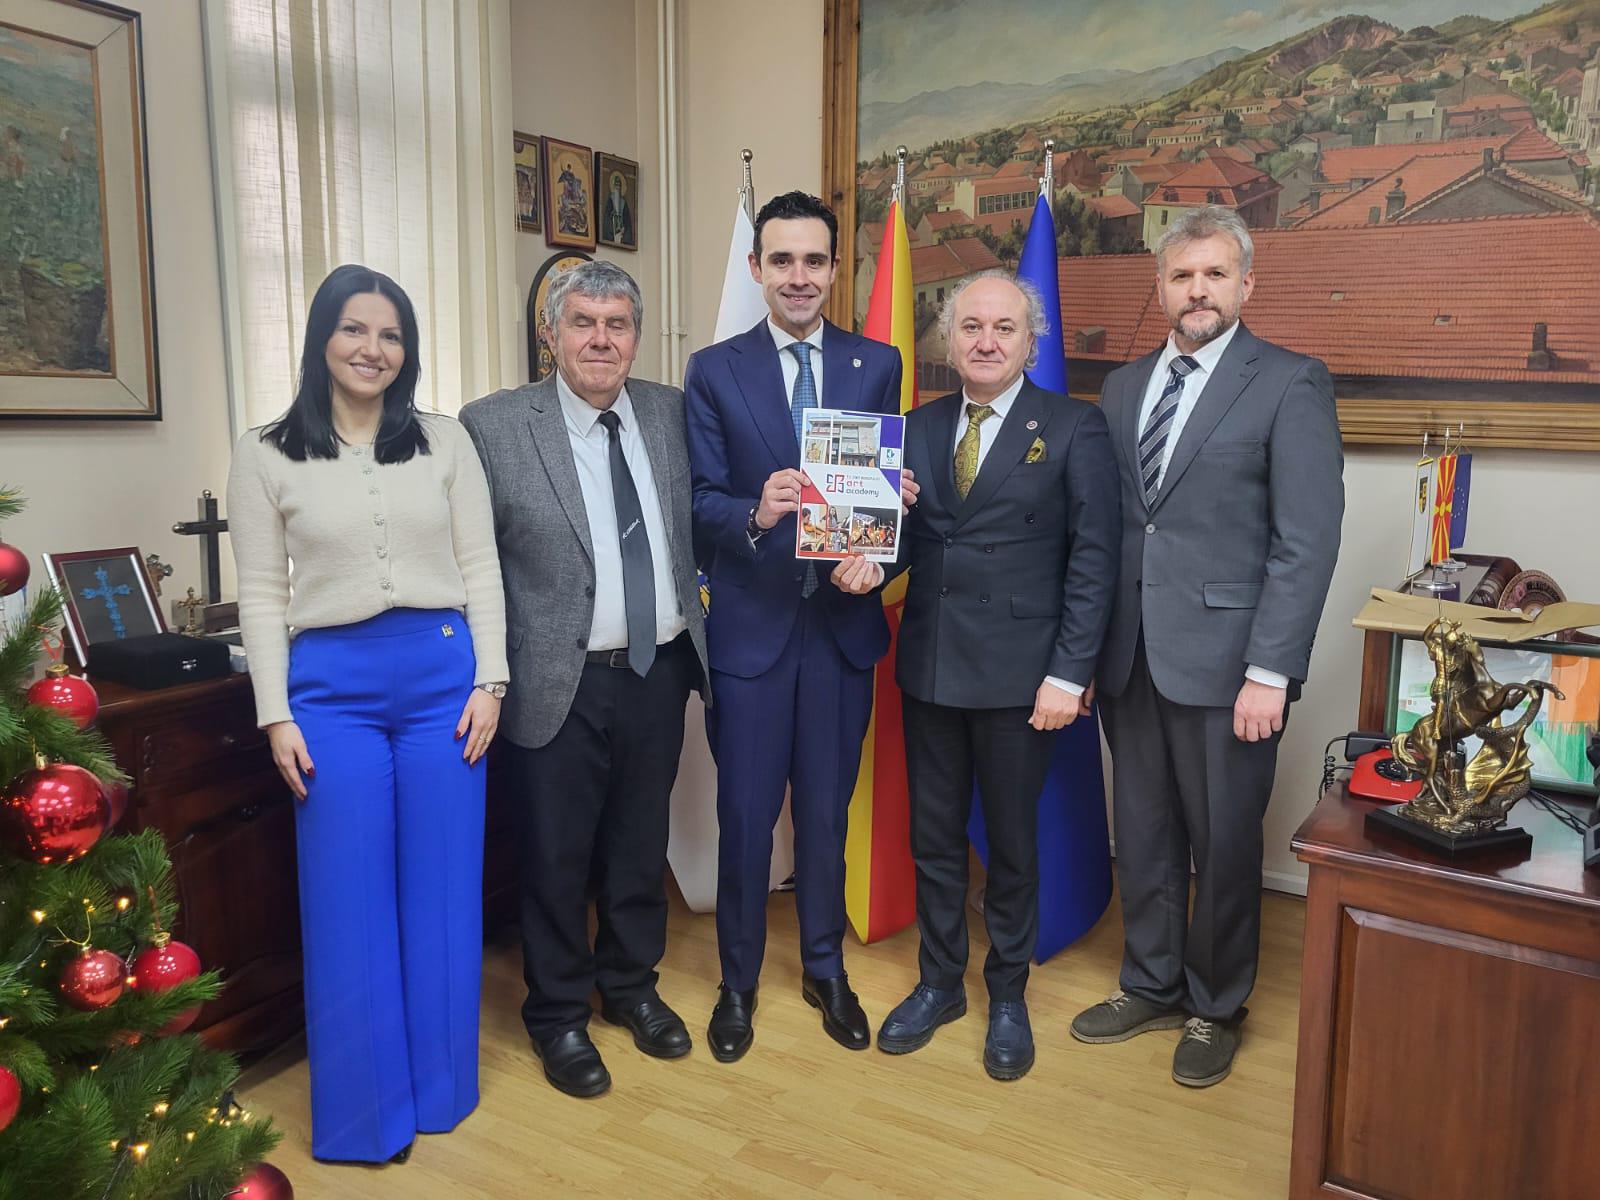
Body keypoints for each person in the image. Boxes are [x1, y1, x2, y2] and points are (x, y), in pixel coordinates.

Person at [227, 264, 506, 1163]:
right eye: (354, 330)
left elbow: (483, 568)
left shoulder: (445, 441)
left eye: (390, 336)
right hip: (330, 695)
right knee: (346, 902)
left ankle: (440, 1093)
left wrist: (489, 682)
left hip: (442, 686)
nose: (372, 350)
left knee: (443, 891)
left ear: (407, 351)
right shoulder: (266, 451)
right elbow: (264, 594)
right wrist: (277, 714)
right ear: (321, 339)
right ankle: (361, 1122)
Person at [1070, 205, 1344, 1087]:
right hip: (1130, 655)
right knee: (1142, 831)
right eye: (1183, 276)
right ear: (1161, 288)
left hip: (1233, 667)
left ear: (1246, 285)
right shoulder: (1119, 390)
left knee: (1224, 841)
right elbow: (1110, 527)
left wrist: (1272, 669)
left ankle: (1215, 1003)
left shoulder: (1290, 382)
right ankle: (1150, 981)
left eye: (1215, 274)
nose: (1198, 290)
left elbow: (1306, 540)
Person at [460, 260, 709, 1099]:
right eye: (584, 323)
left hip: (658, 667)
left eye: (618, 324)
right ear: (552, 333)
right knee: (557, 858)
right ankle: (558, 1014)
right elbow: (473, 564)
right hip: (553, 677)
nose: (601, 339)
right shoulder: (492, 427)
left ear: (636, 335)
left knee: (641, 847)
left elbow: (706, 516)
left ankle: (631, 989)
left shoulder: (673, 413)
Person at [683, 190, 915, 1062]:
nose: (799, 277)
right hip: (750, 635)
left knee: (824, 815)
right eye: (781, 260)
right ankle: (737, 984)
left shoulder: (875, 362)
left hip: (842, 633)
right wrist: (755, 511)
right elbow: (699, 505)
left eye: (815, 260)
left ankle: (825, 968)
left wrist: (878, 552)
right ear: (757, 268)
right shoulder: (714, 369)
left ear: (834, 270)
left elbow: (885, 505)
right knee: (745, 820)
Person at [875, 271, 1119, 1080]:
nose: (985, 341)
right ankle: (940, 982)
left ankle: (1006, 994)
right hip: (933, 668)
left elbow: (1093, 562)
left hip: (1024, 680)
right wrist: (865, 552)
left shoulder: (1076, 429)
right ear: (948, 341)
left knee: (1012, 848)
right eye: (971, 327)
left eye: (1003, 328)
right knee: (934, 842)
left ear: (1029, 342)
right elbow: (898, 553)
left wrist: (1069, 673)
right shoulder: (913, 427)